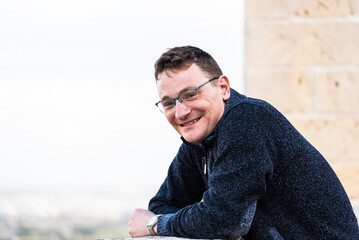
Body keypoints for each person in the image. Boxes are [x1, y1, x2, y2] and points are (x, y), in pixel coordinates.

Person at [128, 46, 359, 239]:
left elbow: (224, 220)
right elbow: (163, 204)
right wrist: (196, 216)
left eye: (190, 94)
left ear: (223, 88)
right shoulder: (199, 141)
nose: (180, 112)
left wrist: (155, 225)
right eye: (168, 103)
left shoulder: (247, 120)